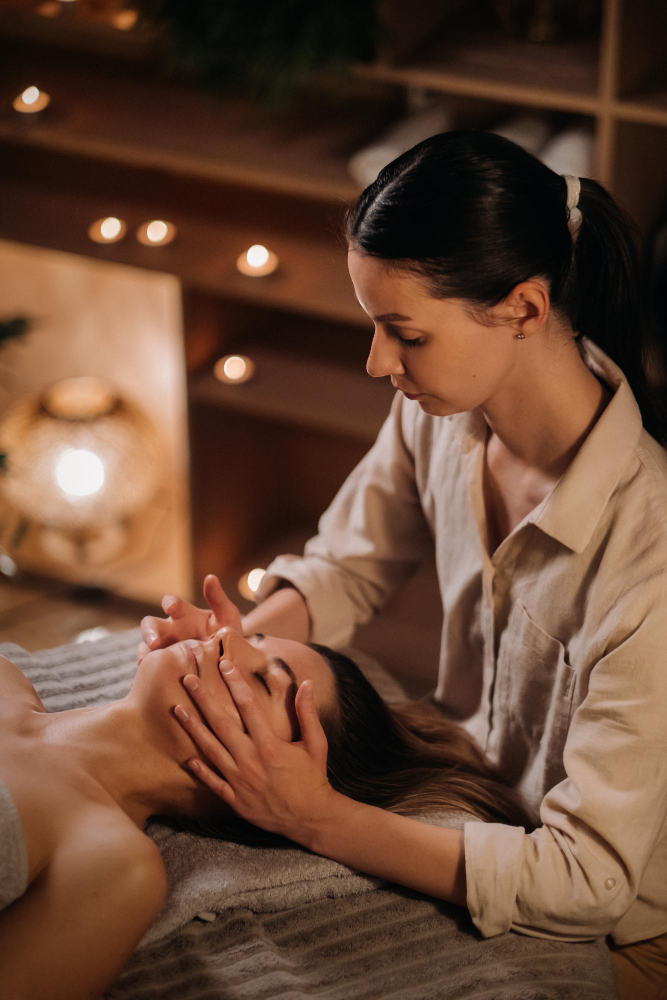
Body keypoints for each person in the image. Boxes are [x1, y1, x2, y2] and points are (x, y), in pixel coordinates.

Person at [142, 130, 667, 999]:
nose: (378, 362)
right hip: (464, 805)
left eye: (404, 334)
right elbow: (347, 567)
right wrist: (229, 657)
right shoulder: (441, 416)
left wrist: (314, 817)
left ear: (524, 309)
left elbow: (588, 883)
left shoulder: (646, 561)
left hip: (621, 928)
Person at [0, 611, 526, 999]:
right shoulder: (7, 679)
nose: (223, 637)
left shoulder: (114, 866)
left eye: (262, 681)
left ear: (274, 781)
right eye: (249, 636)